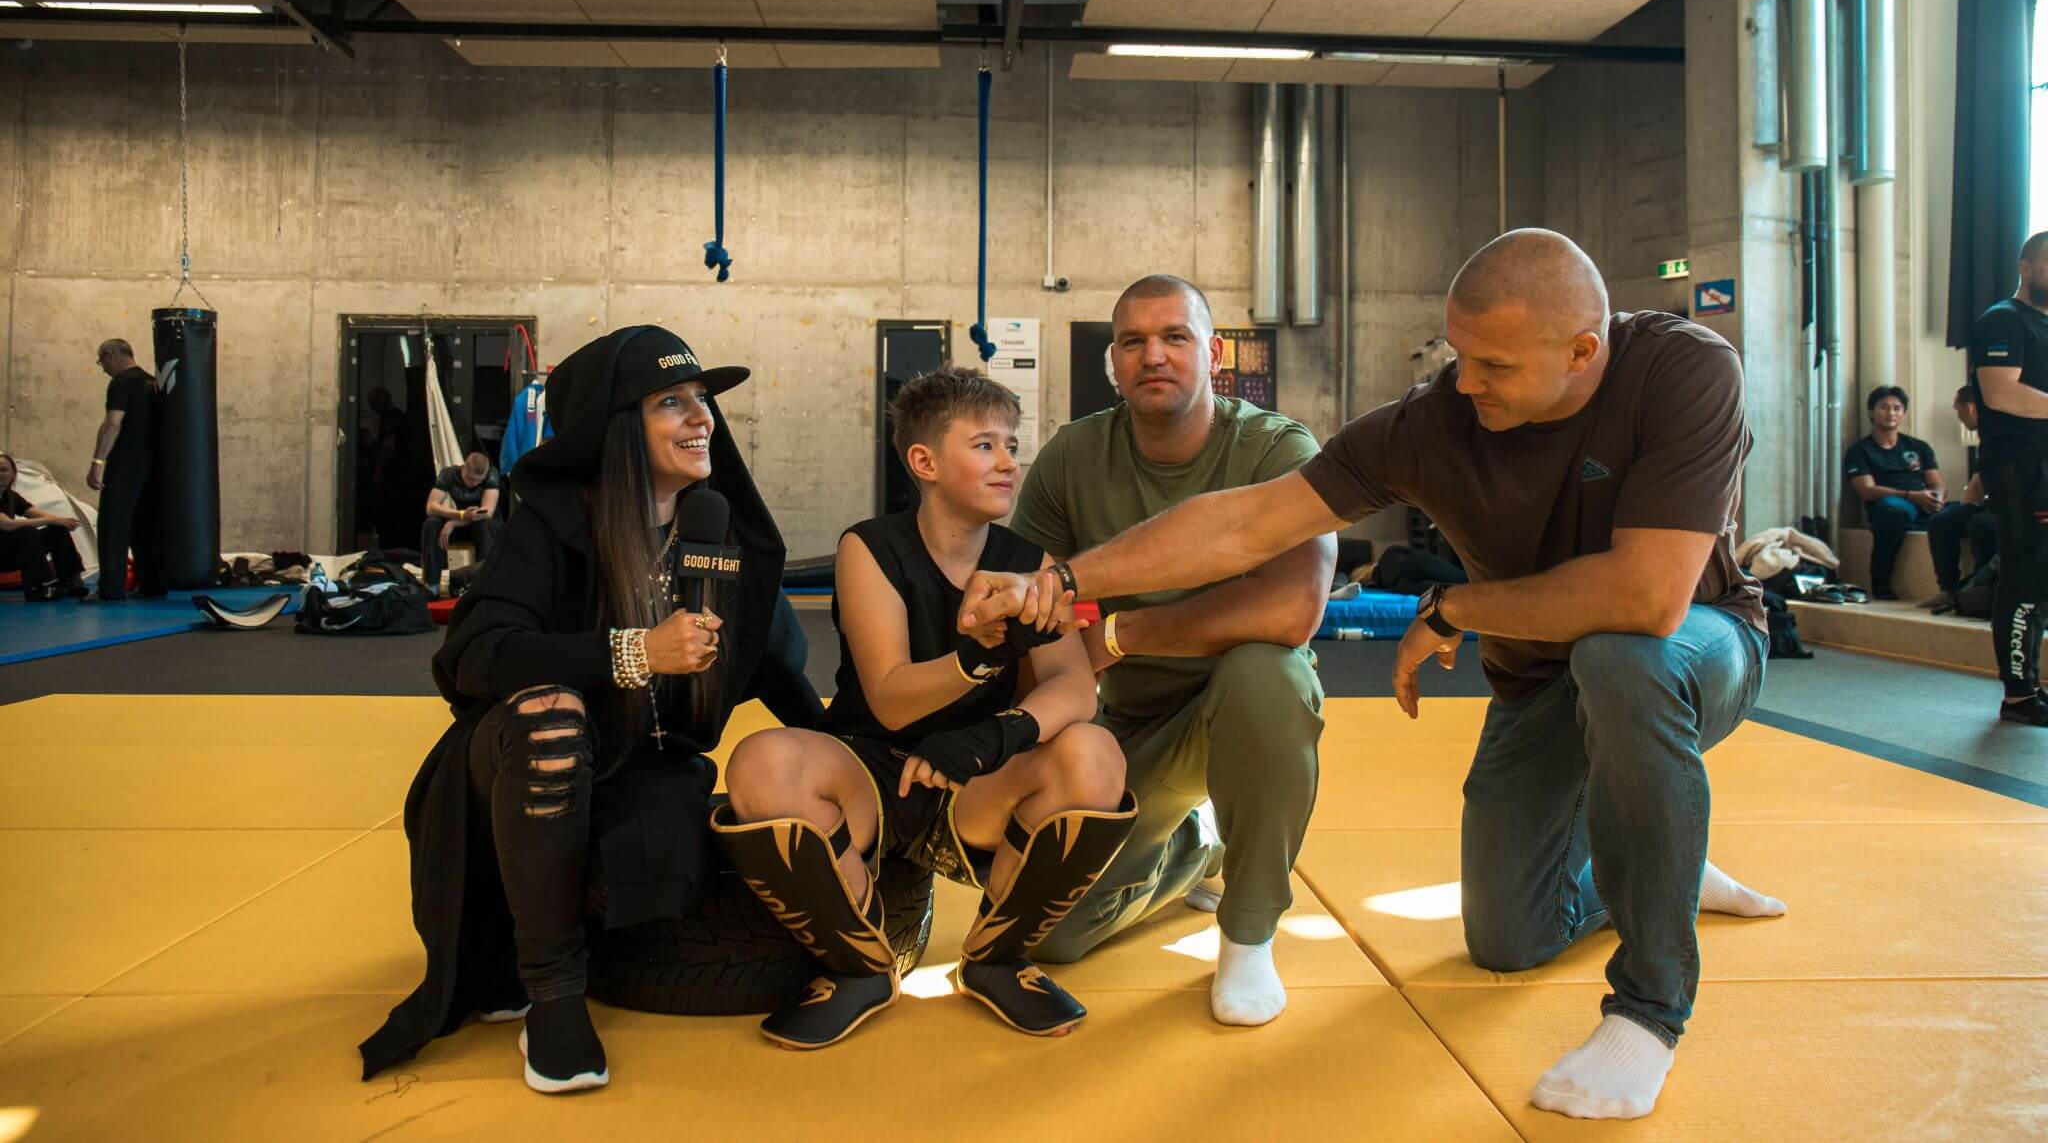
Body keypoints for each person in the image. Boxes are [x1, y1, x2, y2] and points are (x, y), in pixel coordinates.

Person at [965, 231, 1789, 1121]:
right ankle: (1670, 861)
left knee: (1618, 655)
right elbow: (1244, 524)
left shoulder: (1683, 370)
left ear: (1582, 351)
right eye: (1458, 355)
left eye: (1494, 365)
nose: (1465, 383)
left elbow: (1647, 597)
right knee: (1507, 938)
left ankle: (1649, 1009)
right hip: (1537, 681)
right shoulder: (1434, 423)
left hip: (1695, 646)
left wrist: (1457, 607)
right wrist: (1065, 581)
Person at [359, 326, 826, 1093]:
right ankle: (552, 994)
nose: (701, 417)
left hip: (638, 775)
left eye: (702, 399)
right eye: (670, 402)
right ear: (616, 427)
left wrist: (859, 767)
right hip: (511, 768)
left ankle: (582, 923)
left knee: (699, 875)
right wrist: (634, 650)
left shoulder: (715, 536)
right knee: (551, 715)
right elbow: (475, 654)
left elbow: (778, 669)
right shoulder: (553, 523)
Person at [715, 367, 1133, 1048]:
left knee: (1095, 752)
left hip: (977, 783)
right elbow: (889, 696)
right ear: (924, 461)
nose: (1008, 462)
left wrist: (1000, 735)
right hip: (873, 774)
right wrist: (980, 656)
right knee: (760, 761)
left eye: (1011, 445)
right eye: (985, 445)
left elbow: (1074, 685)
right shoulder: (869, 547)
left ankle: (996, 959)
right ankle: (861, 966)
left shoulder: (1035, 562)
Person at [1006, 274, 1336, 1029]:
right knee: (1052, 936)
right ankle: (1195, 848)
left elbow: (1293, 609)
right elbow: (1040, 608)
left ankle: (1248, 931)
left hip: (1238, 710)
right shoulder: (1073, 456)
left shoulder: (1277, 449)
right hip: (1123, 726)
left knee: (1270, 671)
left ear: (1213, 355)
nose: (1153, 355)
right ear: (1113, 362)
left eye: (1175, 337)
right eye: (1133, 341)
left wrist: (1122, 631)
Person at [1966, 231, 2048, 726]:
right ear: (2026, 266)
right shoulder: (2003, 320)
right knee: (2025, 575)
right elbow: (2001, 393)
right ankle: (2018, 695)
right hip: (2020, 470)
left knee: (2042, 578)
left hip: (2043, 468)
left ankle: (2030, 684)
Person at [1843, 386, 1953, 600]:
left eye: (1896, 408)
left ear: (1903, 413)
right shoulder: (1860, 450)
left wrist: (1938, 497)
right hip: (1892, 504)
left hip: (1923, 503)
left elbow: (1936, 482)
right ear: (1871, 412)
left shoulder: (1919, 447)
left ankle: (1957, 590)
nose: (1891, 412)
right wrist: (1910, 496)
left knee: (1963, 512)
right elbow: (1867, 490)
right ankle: (1881, 584)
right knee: (1893, 513)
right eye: (1884, 407)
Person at [85, 338, 163, 601]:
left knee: (113, 524)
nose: (104, 368)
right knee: (144, 524)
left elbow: (113, 423)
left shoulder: (121, 382)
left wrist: (97, 463)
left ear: (111, 354)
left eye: (102, 362)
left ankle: (110, 589)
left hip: (126, 462)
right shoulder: (153, 383)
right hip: (153, 463)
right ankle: (152, 584)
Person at [1923, 386, 1998, 608]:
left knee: (1980, 524)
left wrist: (1967, 508)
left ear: (1970, 408)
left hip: (2017, 503)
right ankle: (1948, 589)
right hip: (1992, 501)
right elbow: (1977, 482)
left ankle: (1983, 590)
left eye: (1958, 410)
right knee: (1941, 520)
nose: (1959, 417)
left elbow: (1977, 485)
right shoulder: (1986, 435)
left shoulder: (2001, 433)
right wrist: (1962, 510)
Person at [0, 454, 88, 600]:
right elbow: (7, 525)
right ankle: (38, 587)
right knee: (27, 532)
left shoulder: (11, 496)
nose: (0, 474)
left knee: (56, 530)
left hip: (9, 551)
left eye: (4, 470)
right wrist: (52, 519)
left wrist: (60, 521)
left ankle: (70, 581)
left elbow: (36, 514)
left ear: (13, 474)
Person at [421, 450, 503, 592]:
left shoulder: (491, 474)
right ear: (463, 468)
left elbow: (487, 512)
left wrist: (453, 522)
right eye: (470, 478)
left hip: (483, 524)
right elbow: (431, 507)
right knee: (431, 523)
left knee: (484, 523)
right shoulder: (449, 474)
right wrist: (460, 514)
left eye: (478, 480)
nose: (473, 483)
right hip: (463, 520)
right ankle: (432, 584)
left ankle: (485, 581)